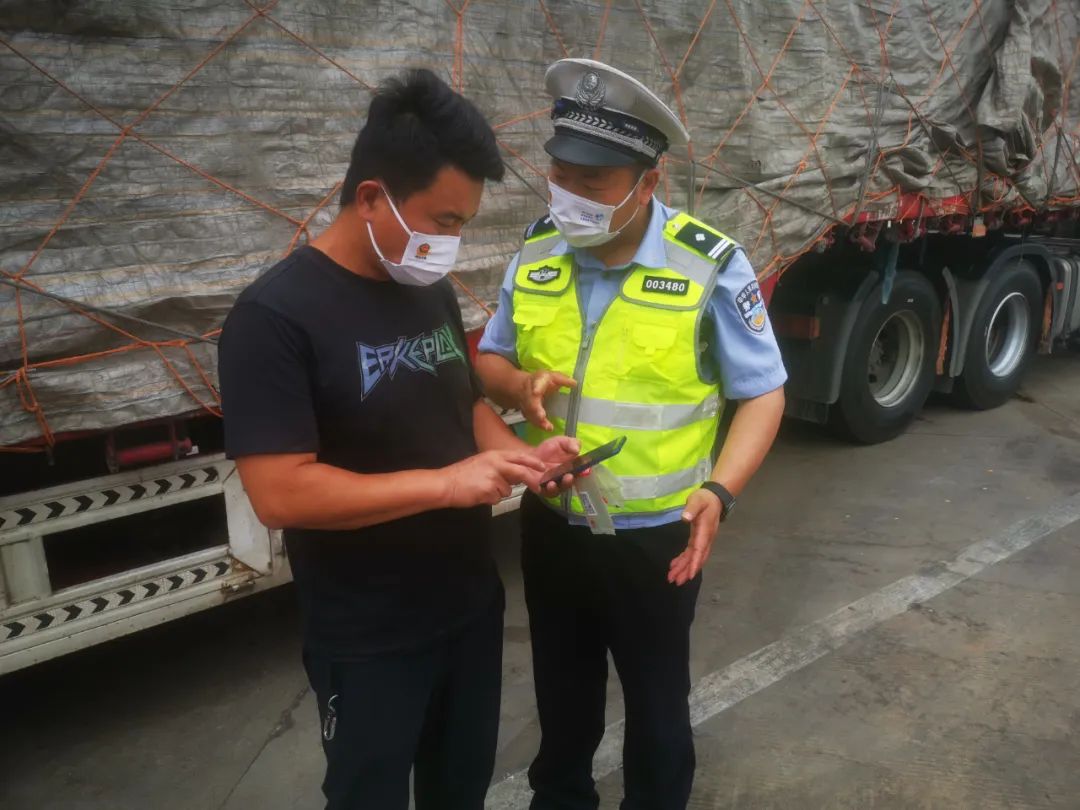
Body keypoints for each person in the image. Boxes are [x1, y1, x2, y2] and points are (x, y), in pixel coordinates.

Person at [217, 69, 578, 810]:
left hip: (468, 608)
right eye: (443, 220)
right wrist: (445, 485)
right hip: (369, 635)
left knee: (460, 791)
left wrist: (516, 457)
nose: (451, 242)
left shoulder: (425, 288)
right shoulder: (274, 318)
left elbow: (461, 404)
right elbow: (279, 491)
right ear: (372, 197)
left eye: (463, 224)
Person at [476, 58, 788, 810]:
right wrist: (518, 385)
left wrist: (721, 491)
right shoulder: (536, 251)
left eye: (592, 182)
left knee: (656, 702)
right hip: (552, 522)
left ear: (647, 183)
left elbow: (763, 392)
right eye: (560, 176)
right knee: (562, 690)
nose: (569, 196)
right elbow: (490, 360)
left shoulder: (708, 266)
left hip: (656, 538)